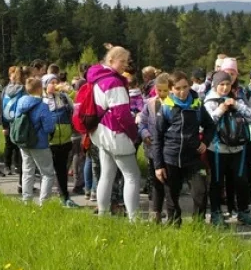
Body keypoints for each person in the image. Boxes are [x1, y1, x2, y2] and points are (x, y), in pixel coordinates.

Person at [152, 71, 216, 226]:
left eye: (185, 87)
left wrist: (205, 142)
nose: (182, 92)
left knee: (200, 193)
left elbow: (210, 126)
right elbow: (157, 138)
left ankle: (197, 225)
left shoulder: (197, 105)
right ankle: (174, 223)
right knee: (172, 195)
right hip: (171, 158)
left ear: (190, 85)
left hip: (193, 158)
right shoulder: (166, 107)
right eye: (178, 88)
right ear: (171, 89)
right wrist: (158, 166)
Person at [86, 46, 140, 221]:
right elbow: (122, 114)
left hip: (101, 131)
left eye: (126, 61)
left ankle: (102, 214)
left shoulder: (98, 78)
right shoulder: (114, 82)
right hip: (115, 133)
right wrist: (133, 133)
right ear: (111, 61)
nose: (125, 65)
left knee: (107, 175)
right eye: (121, 61)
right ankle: (134, 219)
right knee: (132, 176)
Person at [205, 70, 251, 226]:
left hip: (238, 149)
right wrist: (221, 109)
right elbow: (208, 122)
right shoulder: (209, 101)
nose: (225, 87)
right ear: (215, 85)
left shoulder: (237, 99)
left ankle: (243, 212)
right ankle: (216, 213)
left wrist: (236, 105)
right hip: (217, 149)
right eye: (221, 84)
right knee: (217, 182)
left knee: (241, 181)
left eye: (228, 84)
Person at [15, 77, 57, 204]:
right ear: (39, 89)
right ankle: (44, 203)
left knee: (27, 171)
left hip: (23, 141)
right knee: (47, 173)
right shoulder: (42, 106)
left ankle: (26, 200)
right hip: (39, 143)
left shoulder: (20, 102)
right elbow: (49, 127)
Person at [138, 73, 171, 223]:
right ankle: (155, 211)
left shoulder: (173, 104)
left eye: (166, 91)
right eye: (160, 91)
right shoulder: (150, 104)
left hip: (170, 149)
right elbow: (142, 122)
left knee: (169, 182)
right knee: (155, 181)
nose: (162, 94)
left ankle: (170, 210)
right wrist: (144, 134)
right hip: (153, 149)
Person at [42, 74, 78, 207]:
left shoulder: (63, 97)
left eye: (56, 82)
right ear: (45, 85)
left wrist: (70, 90)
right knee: (48, 172)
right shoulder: (42, 100)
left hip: (65, 140)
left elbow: (77, 105)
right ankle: (45, 199)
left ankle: (65, 198)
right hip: (49, 142)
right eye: (52, 82)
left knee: (62, 171)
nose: (55, 84)